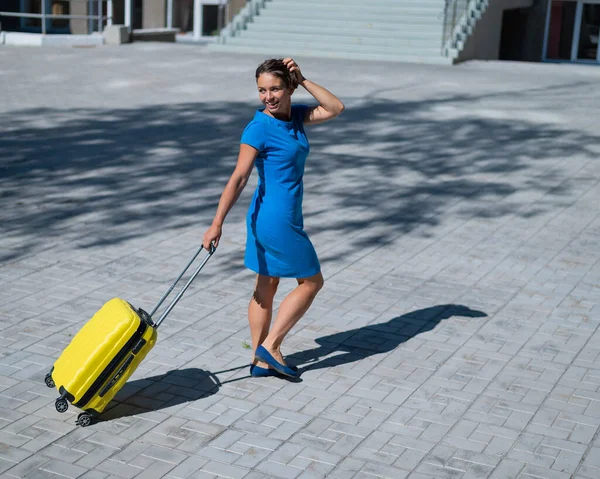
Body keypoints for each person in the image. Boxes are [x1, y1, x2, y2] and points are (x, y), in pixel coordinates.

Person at [202, 58, 344, 379]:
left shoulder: (295, 116)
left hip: (280, 214)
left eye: (275, 88)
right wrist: (217, 222)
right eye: (262, 90)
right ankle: (272, 346)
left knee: (266, 284)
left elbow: (335, 107)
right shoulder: (258, 127)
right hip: (274, 219)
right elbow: (239, 177)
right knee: (311, 281)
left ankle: (259, 361)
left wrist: (304, 78)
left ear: (289, 87)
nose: (268, 96)